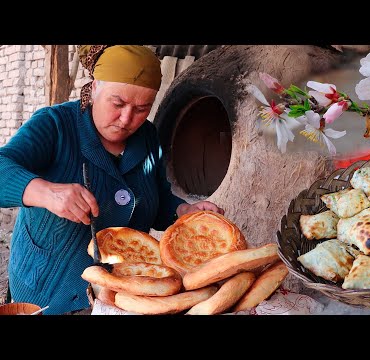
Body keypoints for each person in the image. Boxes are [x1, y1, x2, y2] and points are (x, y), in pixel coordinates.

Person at [0, 45, 224, 315]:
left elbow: (159, 197)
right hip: (49, 293)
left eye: (142, 108)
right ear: (94, 89)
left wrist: (183, 211)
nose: (127, 119)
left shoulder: (148, 138)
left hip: (122, 294)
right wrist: (46, 192)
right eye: (117, 103)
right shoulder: (55, 125)